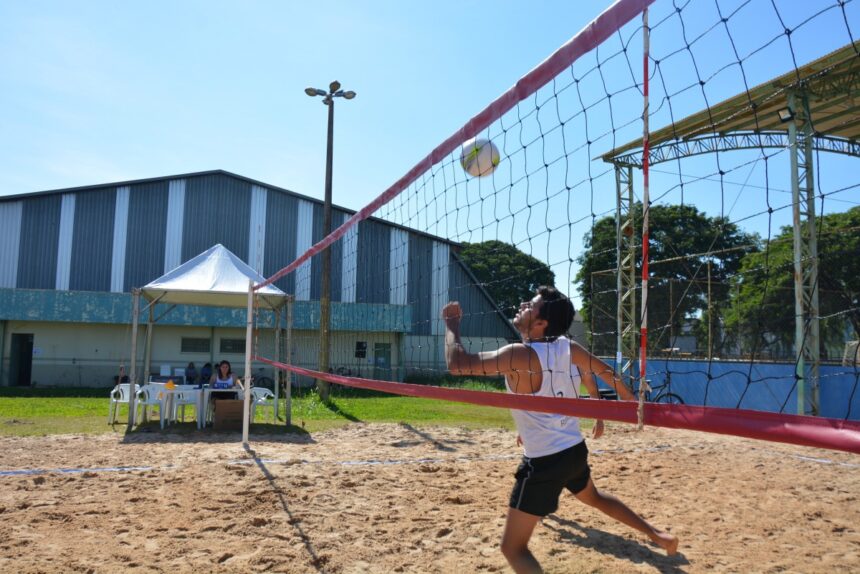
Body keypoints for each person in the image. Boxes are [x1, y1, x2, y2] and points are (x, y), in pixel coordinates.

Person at [442, 286, 678, 573]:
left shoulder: (518, 354)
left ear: (541, 323)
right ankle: (658, 535)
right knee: (595, 497)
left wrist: (452, 324)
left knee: (512, 548)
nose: (522, 303)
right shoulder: (568, 347)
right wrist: (635, 409)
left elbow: (457, 365)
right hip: (573, 451)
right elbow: (608, 374)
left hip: (543, 463)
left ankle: (656, 535)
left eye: (531, 305)